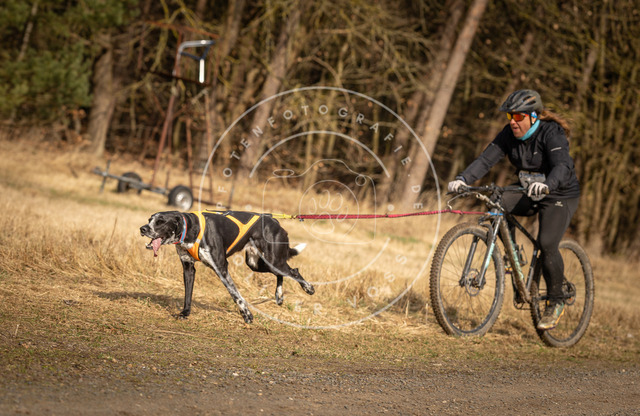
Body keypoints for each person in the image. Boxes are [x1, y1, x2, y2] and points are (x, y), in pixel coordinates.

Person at [448, 89, 580, 331]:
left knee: (546, 244)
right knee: (496, 200)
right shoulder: (508, 134)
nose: (512, 122)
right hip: (529, 191)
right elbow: (485, 160)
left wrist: (548, 185)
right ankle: (513, 253)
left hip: (558, 194)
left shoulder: (551, 133)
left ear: (533, 116)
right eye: (510, 116)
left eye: (518, 117)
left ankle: (556, 300)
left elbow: (562, 166)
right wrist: (463, 179)